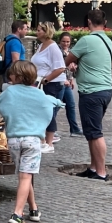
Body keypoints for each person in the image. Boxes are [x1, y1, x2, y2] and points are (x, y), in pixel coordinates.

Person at [0, 60, 64, 223]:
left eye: (12, 73)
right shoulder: (39, 94)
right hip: (32, 141)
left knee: (25, 175)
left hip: (14, 142)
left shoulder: (9, 92)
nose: (9, 76)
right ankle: (17, 214)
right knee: (26, 176)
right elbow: (49, 101)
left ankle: (33, 209)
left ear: (17, 76)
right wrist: (57, 103)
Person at [63, 9, 112, 180]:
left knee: (95, 132)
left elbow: (67, 60)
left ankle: (101, 172)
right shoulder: (108, 40)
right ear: (104, 23)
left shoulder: (86, 40)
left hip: (92, 91)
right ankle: (93, 168)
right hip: (105, 90)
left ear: (89, 22)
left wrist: (73, 65)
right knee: (91, 131)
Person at [31, 22, 67, 152]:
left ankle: (49, 143)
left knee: (48, 112)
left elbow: (61, 67)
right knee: (41, 112)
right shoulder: (41, 45)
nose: (37, 32)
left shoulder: (52, 47)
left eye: (39, 30)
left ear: (46, 31)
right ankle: (43, 140)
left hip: (52, 84)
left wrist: (46, 79)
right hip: (40, 83)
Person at [58, 32, 83, 136]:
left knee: (71, 105)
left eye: (68, 42)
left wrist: (71, 78)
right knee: (55, 106)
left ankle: (74, 129)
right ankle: (49, 129)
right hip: (59, 82)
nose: (66, 44)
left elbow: (71, 67)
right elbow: (59, 67)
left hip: (67, 82)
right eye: (63, 41)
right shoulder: (57, 52)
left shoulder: (70, 52)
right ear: (60, 41)